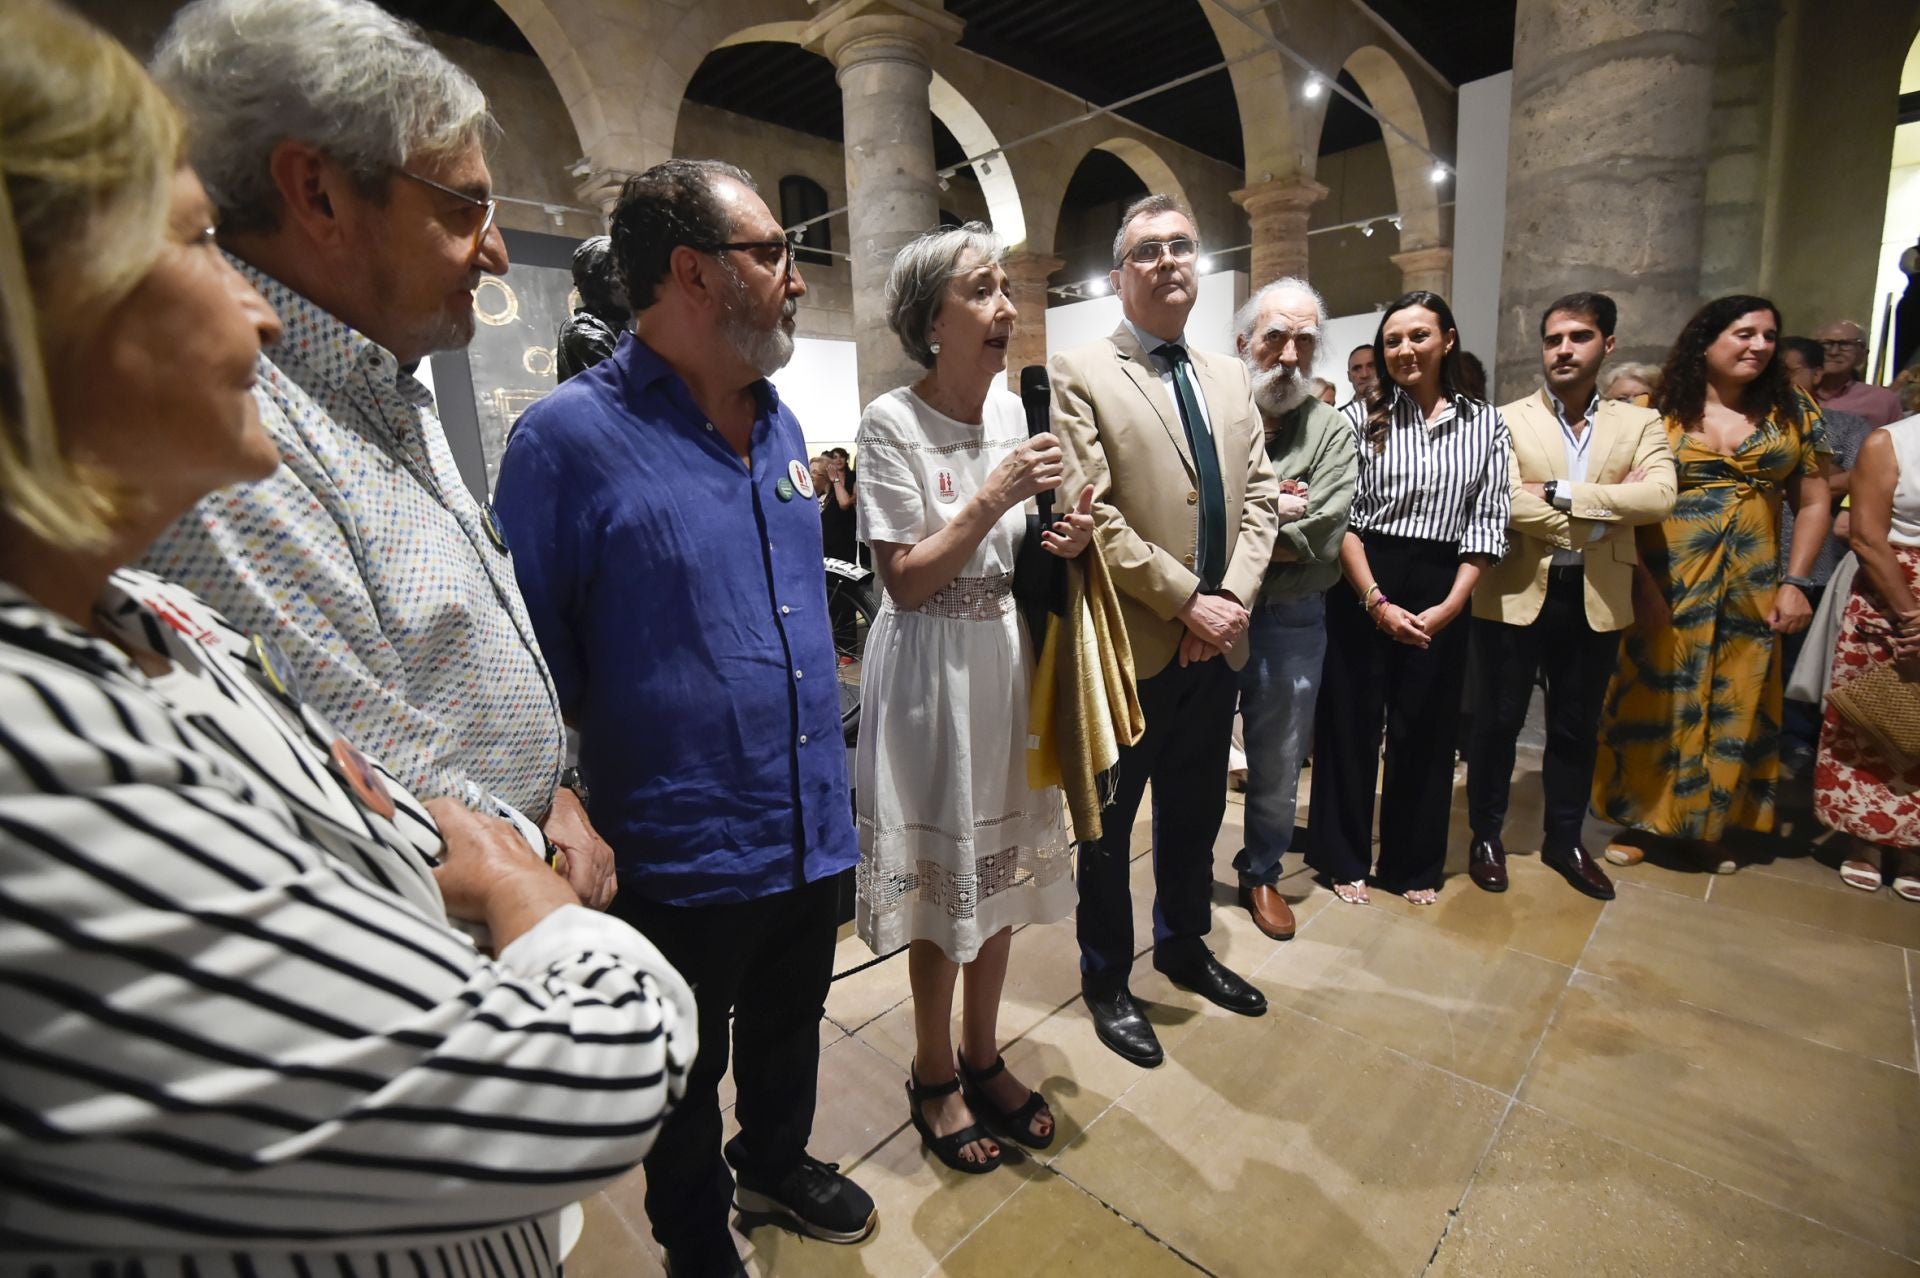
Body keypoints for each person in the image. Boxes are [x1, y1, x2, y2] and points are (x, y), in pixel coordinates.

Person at [0, 4, 694, 1271]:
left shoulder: (156, 610)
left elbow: (387, 750)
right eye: (198, 243)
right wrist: (518, 877)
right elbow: (563, 1064)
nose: (253, 317)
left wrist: (544, 803)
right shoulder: (43, 736)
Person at [140, 0, 616, 909]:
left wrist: (557, 789)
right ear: (318, 194)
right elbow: (374, 774)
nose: (499, 253)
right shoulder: (234, 416)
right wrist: (547, 865)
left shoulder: (380, 371)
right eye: (465, 206)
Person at [493, 159, 872, 1278]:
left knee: (794, 1017)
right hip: (681, 839)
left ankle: (778, 1162)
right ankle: (698, 1239)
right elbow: (529, 654)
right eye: (775, 253)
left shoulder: (787, 425)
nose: (798, 280)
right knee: (682, 1065)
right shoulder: (563, 443)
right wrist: (560, 797)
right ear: (695, 273)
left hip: (807, 813)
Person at [850, 223, 1095, 1173]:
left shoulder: (1013, 415)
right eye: (982, 290)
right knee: (944, 890)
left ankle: (986, 1053)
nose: (1005, 306)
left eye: (1005, 288)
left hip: (1002, 651)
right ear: (930, 320)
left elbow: (1029, 546)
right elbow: (906, 579)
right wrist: (992, 499)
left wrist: (1064, 537)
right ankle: (932, 1070)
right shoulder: (889, 423)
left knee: (997, 879)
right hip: (928, 665)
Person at [1050, 194, 1281, 1068]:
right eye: (1148, 250)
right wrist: (1189, 601)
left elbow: (1261, 499)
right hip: (1130, 648)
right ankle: (1107, 979)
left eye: (1183, 247)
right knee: (1108, 832)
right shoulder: (1081, 371)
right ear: (1118, 278)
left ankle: (1185, 946)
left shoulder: (1228, 375)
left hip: (1214, 643)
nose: (1169, 262)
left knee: (1192, 816)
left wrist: (1227, 604)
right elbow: (1093, 517)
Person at [1594, 296, 1832, 872]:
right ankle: (1641, 818)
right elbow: (1624, 503)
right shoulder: (1654, 411)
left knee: (1736, 696)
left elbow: (1816, 498)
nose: (1758, 345)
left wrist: (1796, 581)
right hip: (1667, 573)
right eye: (1744, 333)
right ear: (1705, 340)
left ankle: (1707, 823)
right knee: (1654, 691)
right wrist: (1636, 581)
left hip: (1753, 577)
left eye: (1770, 336)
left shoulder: (1792, 409)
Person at [1465, 293, 1676, 899]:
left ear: (1607, 345)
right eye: (1554, 338)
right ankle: (1485, 836)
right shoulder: (1503, 419)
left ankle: (1564, 840)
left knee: (1577, 728)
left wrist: (1557, 492)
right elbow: (1501, 498)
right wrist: (1607, 516)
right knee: (1497, 724)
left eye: (1579, 337)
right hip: (1514, 591)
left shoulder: (1640, 423)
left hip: (1598, 592)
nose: (1563, 349)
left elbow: (1659, 497)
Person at [1308, 291, 1511, 906]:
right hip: (1364, 579)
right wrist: (1374, 600)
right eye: (1393, 339)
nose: (1404, 350)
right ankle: (1342, 857)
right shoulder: (1353, 420)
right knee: (1350, 724)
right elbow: (1340, 520)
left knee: (1427, 731)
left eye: (1418, 336)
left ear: (1448, 338)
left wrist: (1452, 605)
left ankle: (1412, 861)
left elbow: (1487, 522)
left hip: (1444, 584)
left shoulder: (1486, 424)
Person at [1228, 278, 1356, 939]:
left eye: (1305, 342)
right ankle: (1184, 869)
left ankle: (1262, 871)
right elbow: (1191, 518)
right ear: (1244, 342)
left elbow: (1324, 533)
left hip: (1291, 619)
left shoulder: (1332, 431)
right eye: (1275, 337)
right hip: (1211, 613)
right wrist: (1275, 512)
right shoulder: (1220, 418)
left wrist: (1248, 521)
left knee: (1278, 760)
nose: (1288, 356)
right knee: (1191, 755)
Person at [1813, 415, 1920, 901]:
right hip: (1892, 589)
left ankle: (1915, 846)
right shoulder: (1892, 442)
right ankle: (1865, 837)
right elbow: (1866, 535)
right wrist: (1910, 614)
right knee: (1874, 714)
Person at [1776, 335, 1875, 776]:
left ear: (1816, 375)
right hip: (1753, 560)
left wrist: (1791, 477)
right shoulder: (1752, 422)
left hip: (1815, 561)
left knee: (1801, 660)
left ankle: (1797, 745)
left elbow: (1856, 478)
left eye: (1789, 370)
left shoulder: (1849, 428)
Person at [556, 232, 630, 382]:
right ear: (601, 281)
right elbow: (624, 391)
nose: (629, 282)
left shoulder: (617, 330)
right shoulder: (584, 332)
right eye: (619, 272)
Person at [1812, 320, 1903, 427]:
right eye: (1826, 344)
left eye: (1845, 344)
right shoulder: (1792, 393)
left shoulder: (1883, 400)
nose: (1834, 352)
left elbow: (1898, 441)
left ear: (1863, 355)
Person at [1344, 342, 1379, 409]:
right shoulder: (1338, 417)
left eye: (1372, 366)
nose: (1364, 374)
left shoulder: (1400, 411)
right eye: (1357, 369)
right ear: (1349, 376)